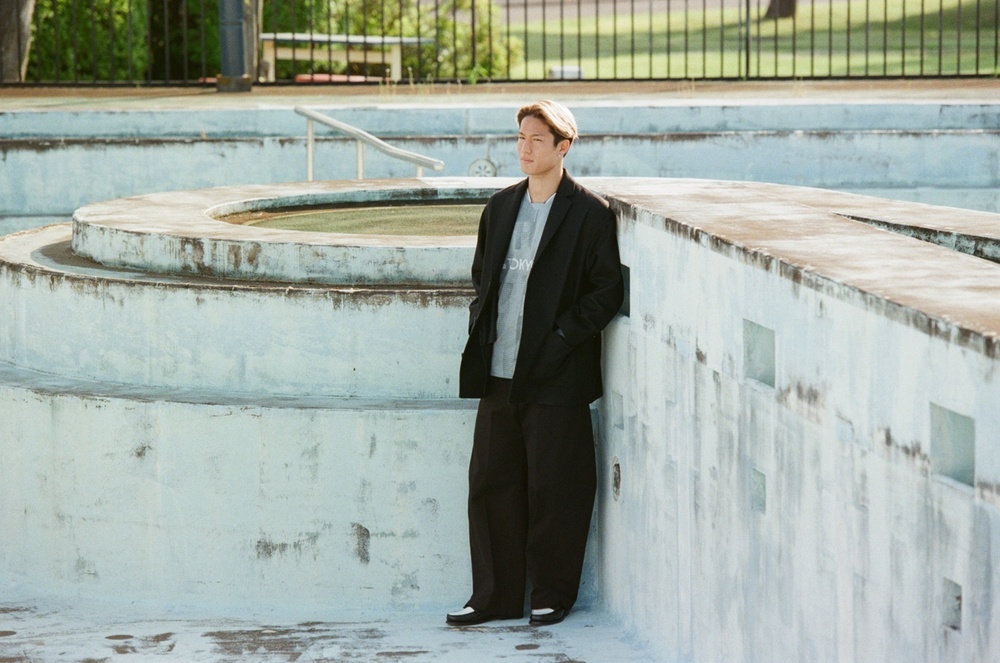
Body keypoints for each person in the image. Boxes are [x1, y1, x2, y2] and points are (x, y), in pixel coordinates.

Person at [449, 100, 624, 627]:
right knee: (490, 487)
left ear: (563, 147)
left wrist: (561, 337)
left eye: (537, 140)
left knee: (556, 489)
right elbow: (483, 277)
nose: (525, 149)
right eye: (520, 138)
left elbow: (606, 290)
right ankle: (494, 598)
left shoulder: (589, 213)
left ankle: (552, 594)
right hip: (498, 373)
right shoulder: (500, 206)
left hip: (556, 376)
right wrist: (485, 327)